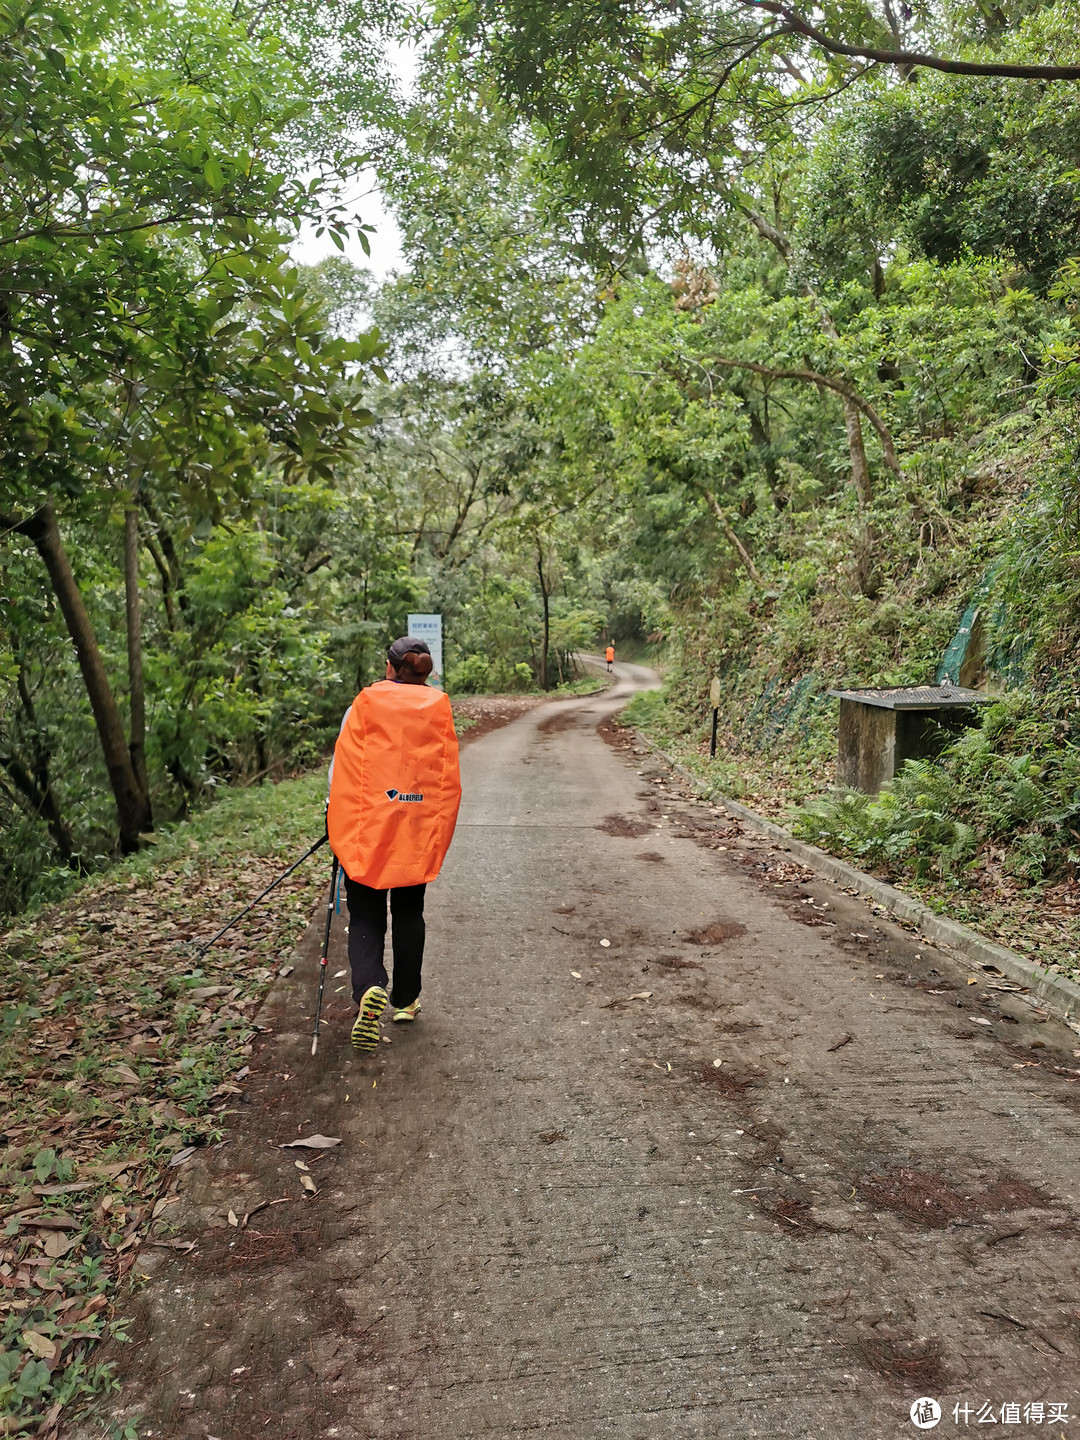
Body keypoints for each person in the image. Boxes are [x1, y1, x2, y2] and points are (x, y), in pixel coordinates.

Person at [327, 637, 462, 1052]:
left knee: (365, 912)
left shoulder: (364, 705)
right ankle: (405, 1001)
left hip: (368, 829)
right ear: (426, 674)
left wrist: (335, 818)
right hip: (414, 830)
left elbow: (342, 771)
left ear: (390, 667)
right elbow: (447, 779)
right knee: (409, 912)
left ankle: (369, 985)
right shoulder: (439, 709)